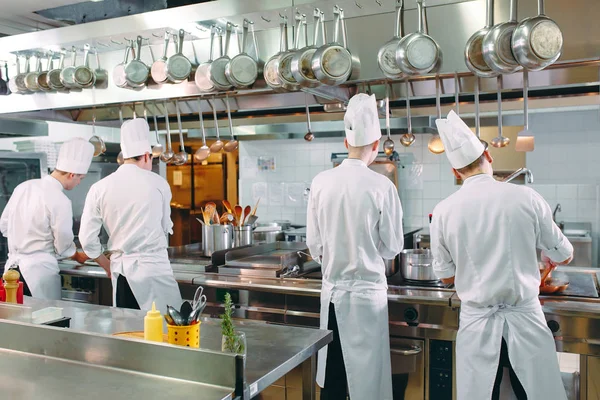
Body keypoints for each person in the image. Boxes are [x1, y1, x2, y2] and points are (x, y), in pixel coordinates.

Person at [431, 110, 572, 400]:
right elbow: (565, 254)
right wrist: (547, 257)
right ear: (490, 158)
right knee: (535, 394)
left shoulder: (444, 210)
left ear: (455, 172)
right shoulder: (526, 197)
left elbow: (445, 276)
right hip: (526, 320)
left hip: (477, 324)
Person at [306, 93, 404, 400]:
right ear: (376, 147)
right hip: (367, 300)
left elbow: (314, 245)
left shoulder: (321, 182)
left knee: (333, 383)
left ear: (346, 143)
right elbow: (393, 247)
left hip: (334, 297)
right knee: (369, 387)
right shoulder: (383, 186)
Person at [79, 118, 182, 313]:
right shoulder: (158, 184)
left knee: (128, 332)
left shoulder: (99, 188)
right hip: (155, 271)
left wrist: (107, 265)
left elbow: (87, 240)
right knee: (167, 334)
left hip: (122, 272)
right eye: (152, 158)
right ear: (145, 155)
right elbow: (165, 228)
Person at [0, 138, 97, 299]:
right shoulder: (61, 200)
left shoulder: (23, 187)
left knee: (15, 320)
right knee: (45, 321)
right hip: (39, 274)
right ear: (72, 174)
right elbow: (63, 245)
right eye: (80, 178)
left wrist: (25, 239)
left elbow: (4, 225)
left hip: (12, 272)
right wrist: (77, 255)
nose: (79, 183)